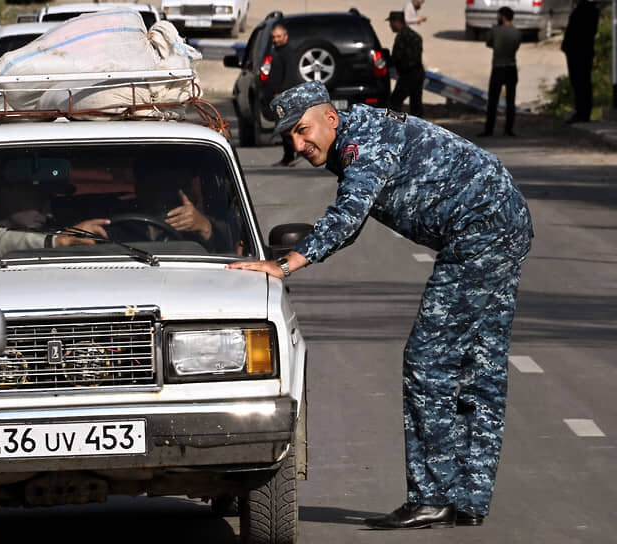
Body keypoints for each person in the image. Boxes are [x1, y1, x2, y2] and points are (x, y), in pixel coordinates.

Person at [228, 81, 533, 529]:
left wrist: (286, 263)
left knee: (428, 360)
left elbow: (349, 216)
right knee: (480, 365)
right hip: (502, 222)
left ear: (330, 118)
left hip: (481, 232)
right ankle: (467, 497)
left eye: (303, 130)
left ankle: (433, 496)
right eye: (289, 136)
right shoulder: (355, 133)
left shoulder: (362, 143)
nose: (298, 144)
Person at [0, 180, 109, 260]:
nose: (48, 212)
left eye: (51, 202)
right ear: (8, 195)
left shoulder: (37, 230)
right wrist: (61, 240)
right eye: (40, 199)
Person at [480, 7, 521, 137]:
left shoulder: (495, 30)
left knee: (493, 100)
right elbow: (516, 46)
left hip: (498, 67)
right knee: (510, 100)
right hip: (511, 67)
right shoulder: (517, 32)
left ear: (502, 17)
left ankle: (489, 129)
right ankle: (509, 129)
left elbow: (488, 42)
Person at [264, 23, 301, 167]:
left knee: (287, 127)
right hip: (277, 96)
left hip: (285, 97)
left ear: (286, 37)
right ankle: (288, 156)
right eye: (274, 37)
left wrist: (282, 94)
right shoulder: (277, 51)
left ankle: (294, 153)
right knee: (283, 127)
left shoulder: (288, 53)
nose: (276, 40)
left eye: (279, 37)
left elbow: (290, 76)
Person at [561, 0, 599, 124]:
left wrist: (569, 47)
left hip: (579, 52)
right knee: (581, 82)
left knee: (580, 82)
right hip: (580, 51)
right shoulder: (587, 10)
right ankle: (582, 111)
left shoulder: (583, 11)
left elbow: (577, 32)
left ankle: (582, 112)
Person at [388, 11, 425, 117]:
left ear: (397, 22)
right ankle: (418, 125)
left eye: (391, 23)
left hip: (408, 75)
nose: (390, 26)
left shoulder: (402, 37)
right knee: (416, 105)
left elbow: (397, 58)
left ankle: (395, 124)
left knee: (394, 104)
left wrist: (385, 62)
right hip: (418, 73)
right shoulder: (415, 35)